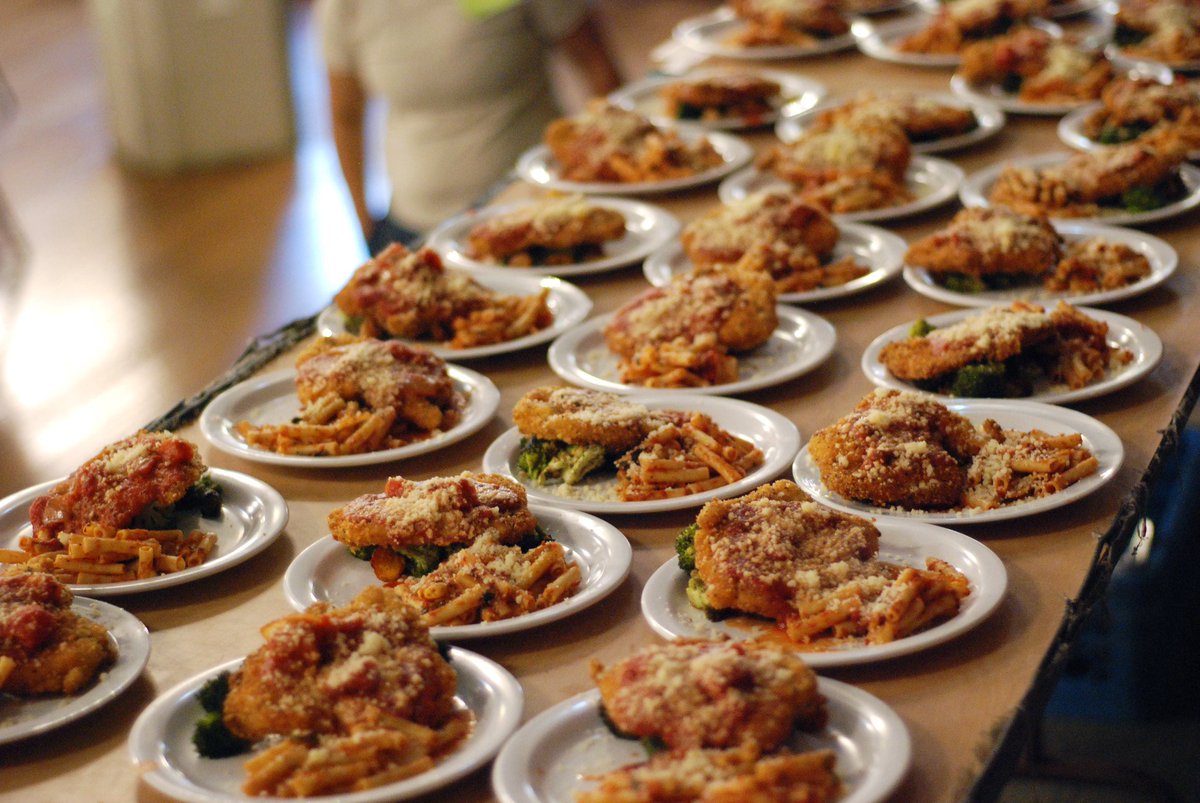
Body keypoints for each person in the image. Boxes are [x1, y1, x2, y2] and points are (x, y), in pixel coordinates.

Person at [316, 0, 623, 254]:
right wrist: (366, 226)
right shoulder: (344, 6)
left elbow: (597, 67)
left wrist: (613, 171)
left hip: (538, 213)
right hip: (415, 227)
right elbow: (345, 116)